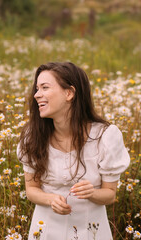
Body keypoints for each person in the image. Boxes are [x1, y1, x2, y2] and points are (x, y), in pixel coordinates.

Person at [17, 62, 130, 240]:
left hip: (92, 231)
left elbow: (110, 194)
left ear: (69, 93)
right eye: (37, 89)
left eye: (45, 87)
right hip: (45, 230)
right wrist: (50, 199)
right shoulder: (33, 136)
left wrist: (92, 192)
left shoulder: (105, 136)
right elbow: (31, 189)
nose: (37, 95)